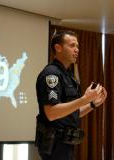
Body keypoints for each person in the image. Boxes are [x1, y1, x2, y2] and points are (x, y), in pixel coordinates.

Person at [35, 30, 107, 160]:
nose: (77, 50)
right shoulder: (51, 74)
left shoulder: (69, 75)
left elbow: (72, 112)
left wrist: (92, 104)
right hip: (54, 145)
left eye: (78, 46)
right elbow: (51, 113)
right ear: (58, 48)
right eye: (72, 45)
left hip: (67, 143)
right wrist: (84, 99)